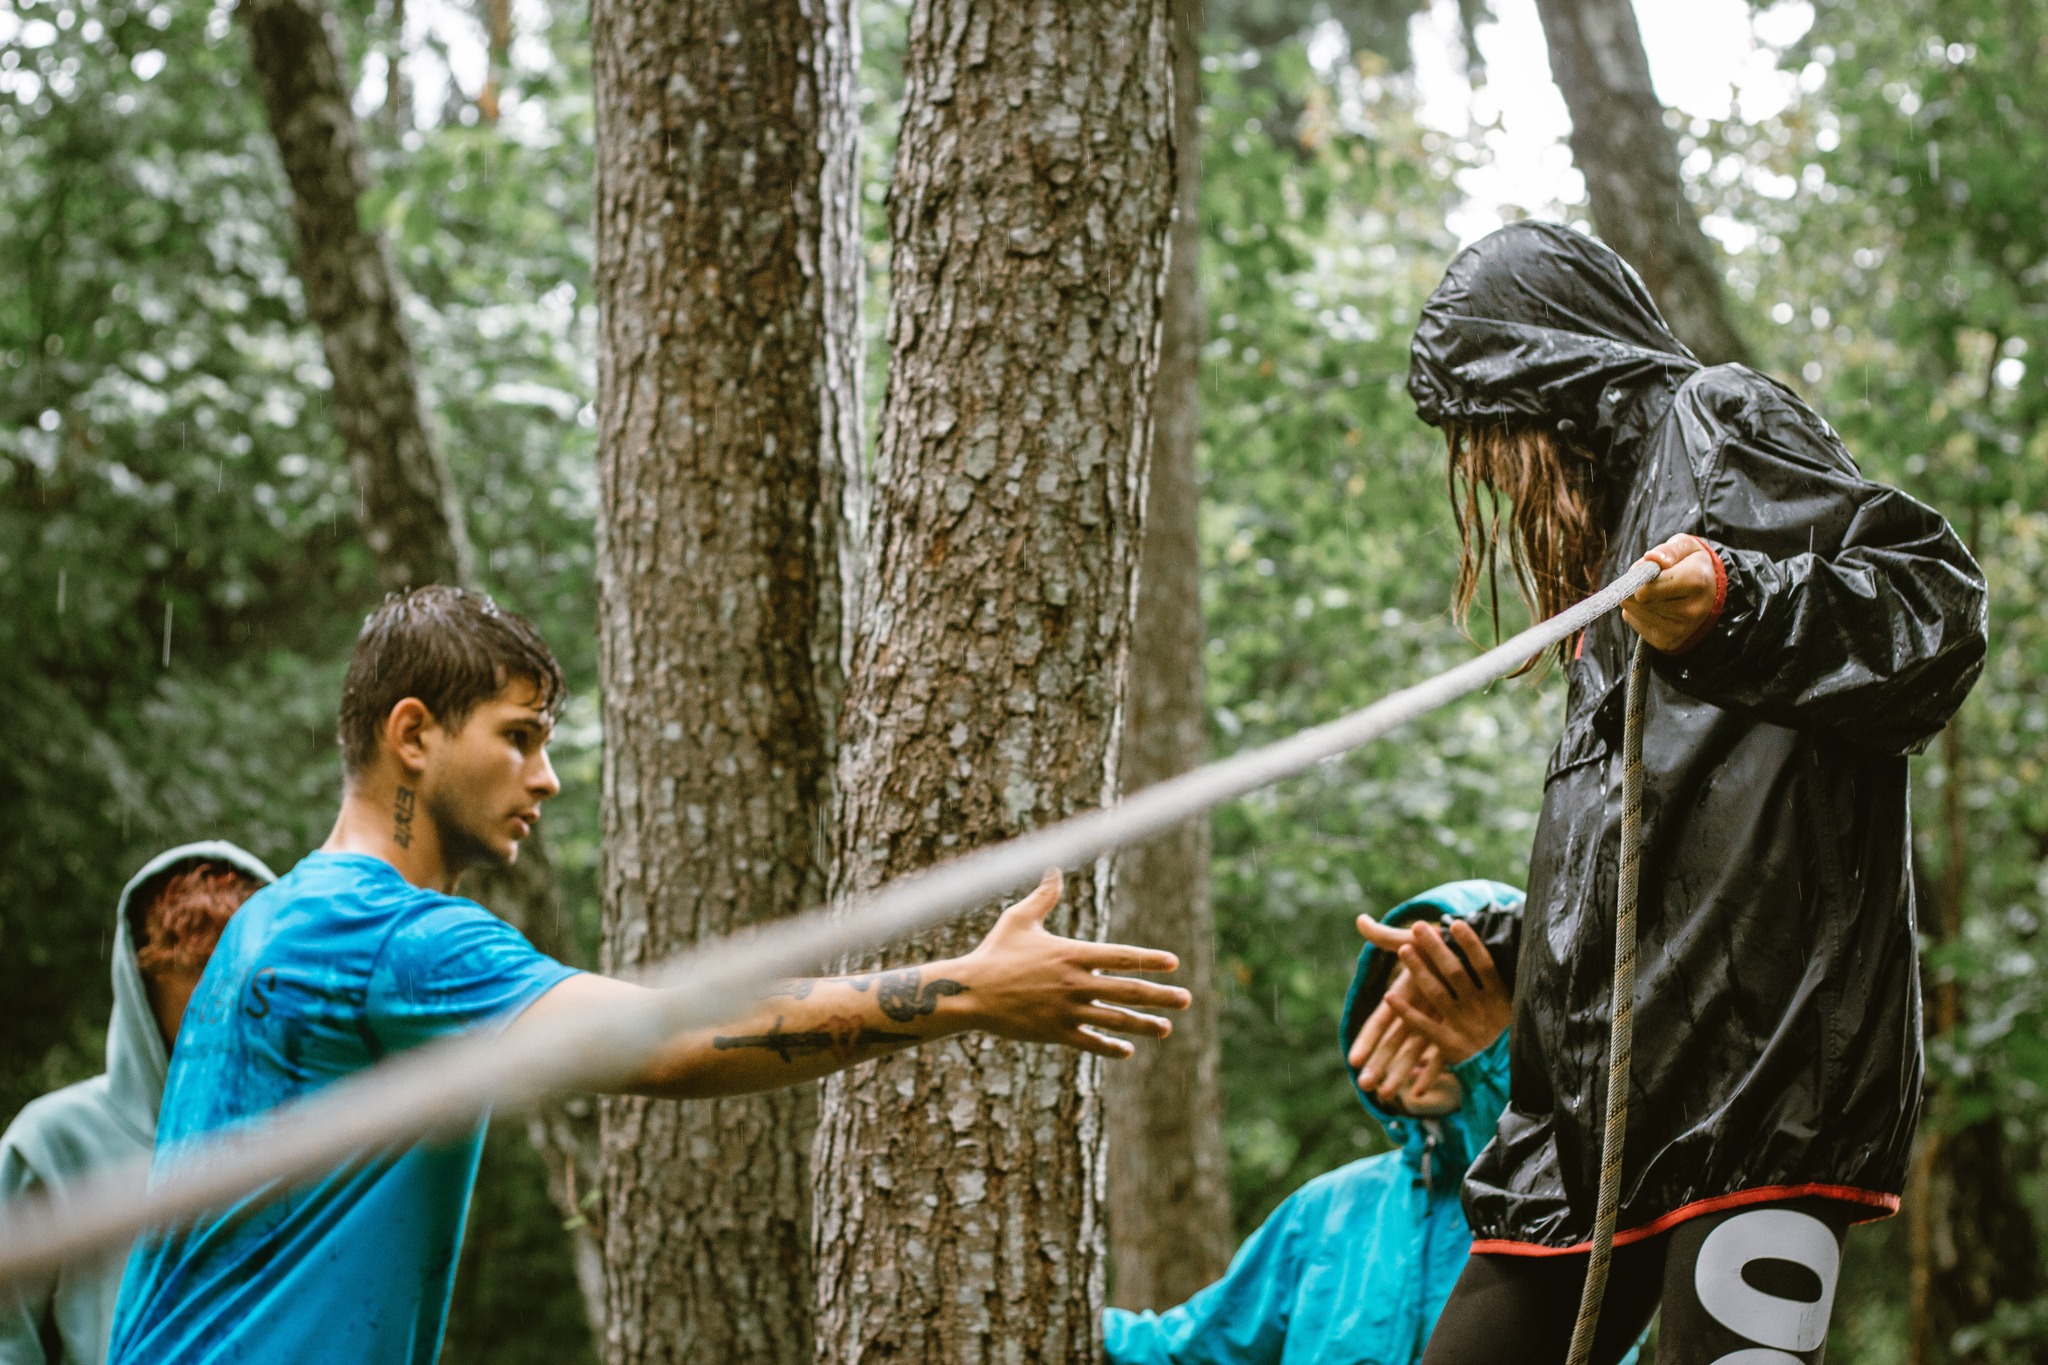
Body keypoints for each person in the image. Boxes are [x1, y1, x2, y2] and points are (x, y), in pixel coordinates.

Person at [105, 586, 1191, 1365]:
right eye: (518, 736)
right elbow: (665, 1040)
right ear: (413, 735)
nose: (549, 777)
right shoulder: (386, 937)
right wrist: (965, 991)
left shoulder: (279, 920)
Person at [1388, 222, 1987, 1364]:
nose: (1487, 470)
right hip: (1580, 1129)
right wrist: (1504, 949)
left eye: (1492, 432)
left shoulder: (1713, 421)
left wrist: (1733, 606)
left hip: (1755, 1091)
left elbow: (1931, 613)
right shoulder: (1617, 549)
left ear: (1552, 384)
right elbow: (1657, 849)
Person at [1104, 881, 1642, 1365]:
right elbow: (1184, 1352)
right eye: (1402, 997)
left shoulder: (1593, 1193)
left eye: (1447, 997)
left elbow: (1570, 1272)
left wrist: (1495, 1065)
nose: (1418, 1026)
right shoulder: (1325, 1211)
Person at [0, 842, 276, 1365]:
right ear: (146, 981)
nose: (225, 1002)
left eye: (242, 976)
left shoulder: (301, 1141)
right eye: (200, 977)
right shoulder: (53, 1143)